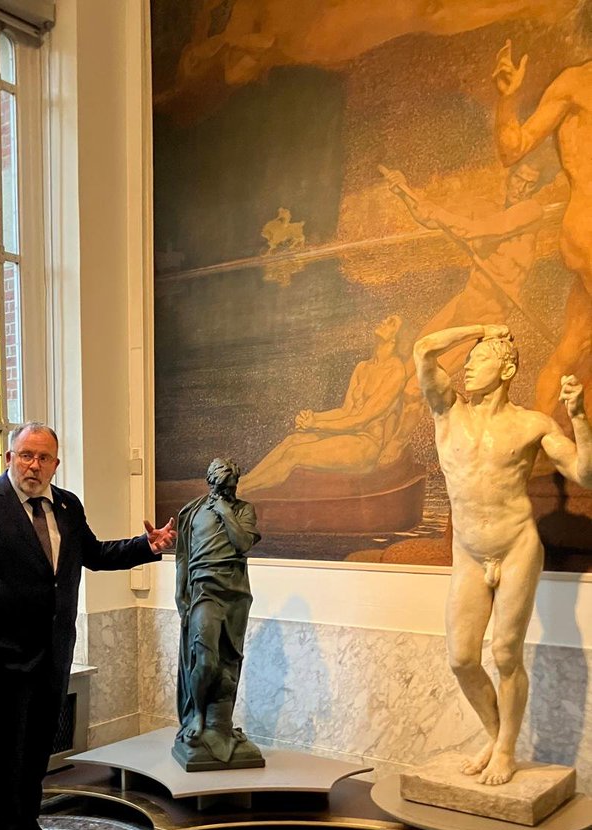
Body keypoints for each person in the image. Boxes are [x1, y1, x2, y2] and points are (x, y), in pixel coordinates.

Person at [0, 422, 176, 830]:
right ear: (9, 457)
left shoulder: (66, 505)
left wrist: (146, 546)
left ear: (55, 464)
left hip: (53, 655)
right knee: (4, 756)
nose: (34, 465)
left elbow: (92, 554)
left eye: (43, 458)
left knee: (35, 750)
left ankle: (27, 828)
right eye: (25, 455)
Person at [413, 324, 592, 786]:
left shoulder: (532, 423)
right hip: (470, 553)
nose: (467, 366)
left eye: (480, 359)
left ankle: (505, 750)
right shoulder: (448, 412)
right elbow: (424, 349)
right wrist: (480, 330)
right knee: (461, 658)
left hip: (516, 545)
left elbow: (584, 475)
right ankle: (497, 737)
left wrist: (579, 417)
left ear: (507, 368)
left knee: (507, 653)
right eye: (468, 361)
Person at [494, 41, 592, 414]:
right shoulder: (577, 83)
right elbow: (512, 149)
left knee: (573, 348)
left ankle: (540, 447)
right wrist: (508, 99)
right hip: (589, 228)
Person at [385, 164, 544, 391]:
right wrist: (403, 192)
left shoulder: (530, 211)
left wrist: (438, 213)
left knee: (416, 388)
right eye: (519, 179)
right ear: (510, 177)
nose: (522, 188)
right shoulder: (485, 207)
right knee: (413, 358)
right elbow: (430, 219)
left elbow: (474, 229)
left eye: (531, 184)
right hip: (465, 300)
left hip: (485, 319)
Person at [238, 315, 406, 493]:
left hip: (365, 444)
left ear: (396, 338)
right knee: (292, 440)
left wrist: (316, 425)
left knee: (295, 454)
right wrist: (314, 417)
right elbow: (346, 411)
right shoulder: (362, 367)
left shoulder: (395, 371)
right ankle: (241, 483)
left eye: (392, 322)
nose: (384, 320)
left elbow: (361, 420)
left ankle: (239, 492)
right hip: (346, 435)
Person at [174, 457, 262, 766]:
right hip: (204, 593)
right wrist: (180, 594)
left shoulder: (242, 510)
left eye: (232, 488)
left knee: (228, 664)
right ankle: (196, 714)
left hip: (236, 596)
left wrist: (226, 512)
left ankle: (220, 725)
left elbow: (242, 543)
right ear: (211, 484)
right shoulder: (193, 512)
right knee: (206, 660)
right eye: (222, 489)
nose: (227, 493)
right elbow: (183, 557)